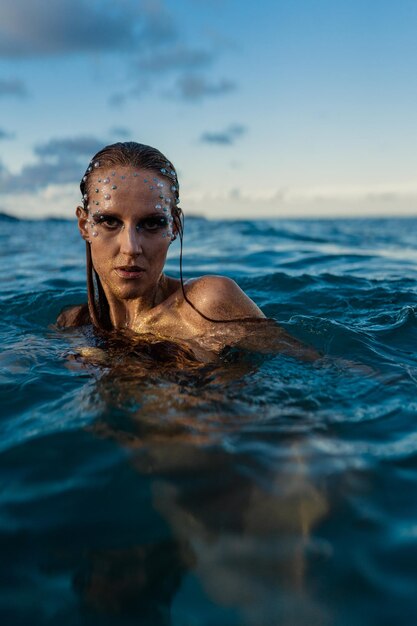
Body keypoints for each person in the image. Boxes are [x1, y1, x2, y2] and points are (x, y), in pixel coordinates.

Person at [57, 141, 316, 361]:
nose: (131, 247)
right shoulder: (73, 324)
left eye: (151, 223)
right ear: (84, 225)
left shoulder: (207, 305)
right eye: (110, 222)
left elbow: (321, 370)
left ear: (175, 228)